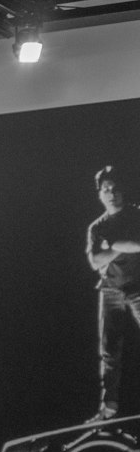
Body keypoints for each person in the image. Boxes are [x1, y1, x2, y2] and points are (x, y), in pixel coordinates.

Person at [86, 165, 140, 421]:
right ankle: (108, 407)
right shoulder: (97, 227)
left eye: (115, 188)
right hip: (110, 290)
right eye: (106, 189)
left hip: (138, 286)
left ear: (123, 190)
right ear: (100, 194)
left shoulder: (136, 215)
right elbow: (96, 260)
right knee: (109, 351)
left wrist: (114, 245)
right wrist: (121, 245)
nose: (111, 193)